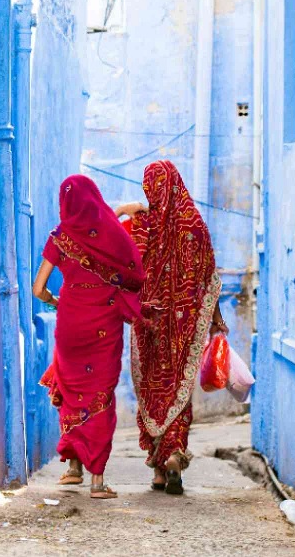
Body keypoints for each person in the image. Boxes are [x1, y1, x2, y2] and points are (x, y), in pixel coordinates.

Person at [114, 160, 229, 495]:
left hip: (148, 322)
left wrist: (131, 208)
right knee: (179, 390)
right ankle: (174, 455)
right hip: (184, 326)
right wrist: (215, 318)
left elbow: (124, 263)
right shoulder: (194, 224)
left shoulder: (143, 225)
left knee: (153, 390)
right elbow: (210, 279)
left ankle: (158, 470)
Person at [33, 175, 145, 500]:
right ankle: (97, 481)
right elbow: (134, 275)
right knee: (99, 393)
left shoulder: (60, 237)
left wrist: (57, 301)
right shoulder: (111, 233)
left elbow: (38, 288)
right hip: (103, 323)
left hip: (70, 322)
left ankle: (72, 469)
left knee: (71, 391)